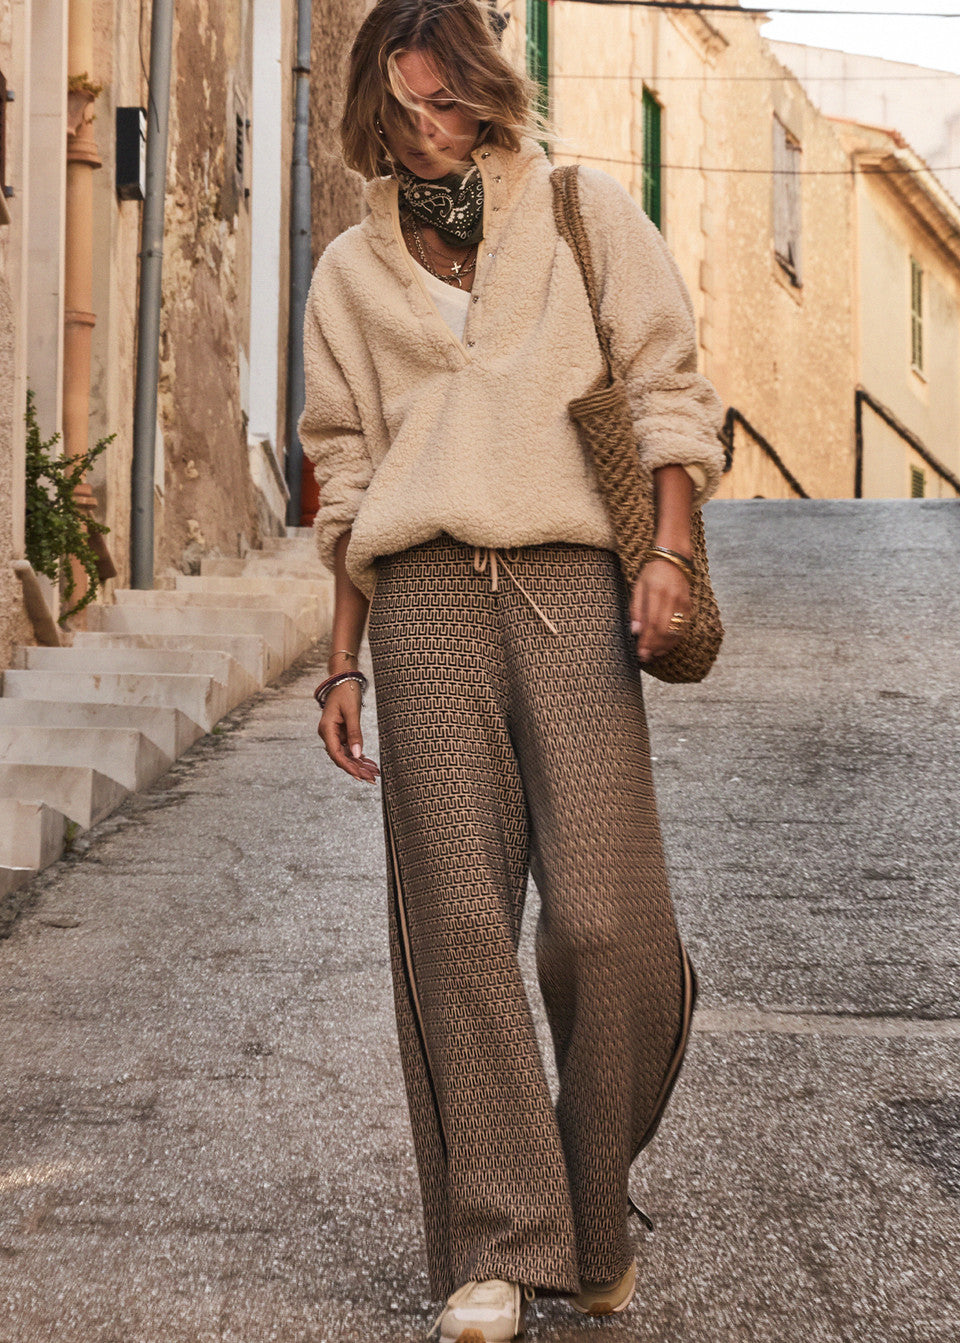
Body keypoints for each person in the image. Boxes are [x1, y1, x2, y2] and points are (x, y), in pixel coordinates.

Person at [300, 3, 724, 1339]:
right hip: (419, 598)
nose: (434, 131)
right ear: (374, 108)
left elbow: (668, 388)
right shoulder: (346, 276)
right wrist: (340, 662)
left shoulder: (583, 213)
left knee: (617, 931)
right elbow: (345, 479)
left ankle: (591, 1212)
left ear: (490, 95)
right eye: (408, 109)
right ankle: (493, 1247)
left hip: (568, 584)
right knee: (460, 933)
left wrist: (668, 551)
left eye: (454, 104)